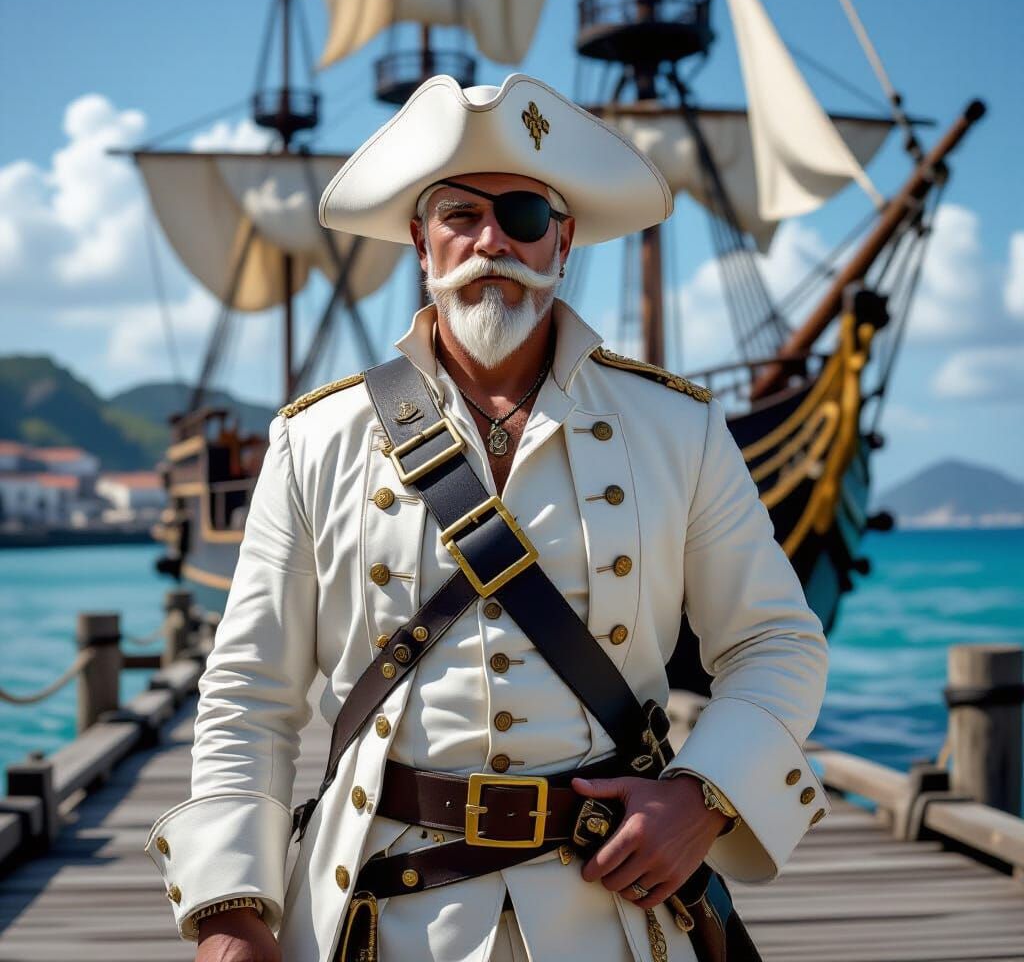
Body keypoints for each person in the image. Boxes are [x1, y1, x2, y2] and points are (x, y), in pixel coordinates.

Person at [146, 73, 829, 962]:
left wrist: (703, 798)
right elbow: (249, 696)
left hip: (613, 910)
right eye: (458, 215)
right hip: (378, 909)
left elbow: (776, 643)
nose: (489, 240)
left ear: (564, 241)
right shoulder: (315, 439)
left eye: (523, 215)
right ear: (420, 243)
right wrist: (230, 913)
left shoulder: (678, 427)